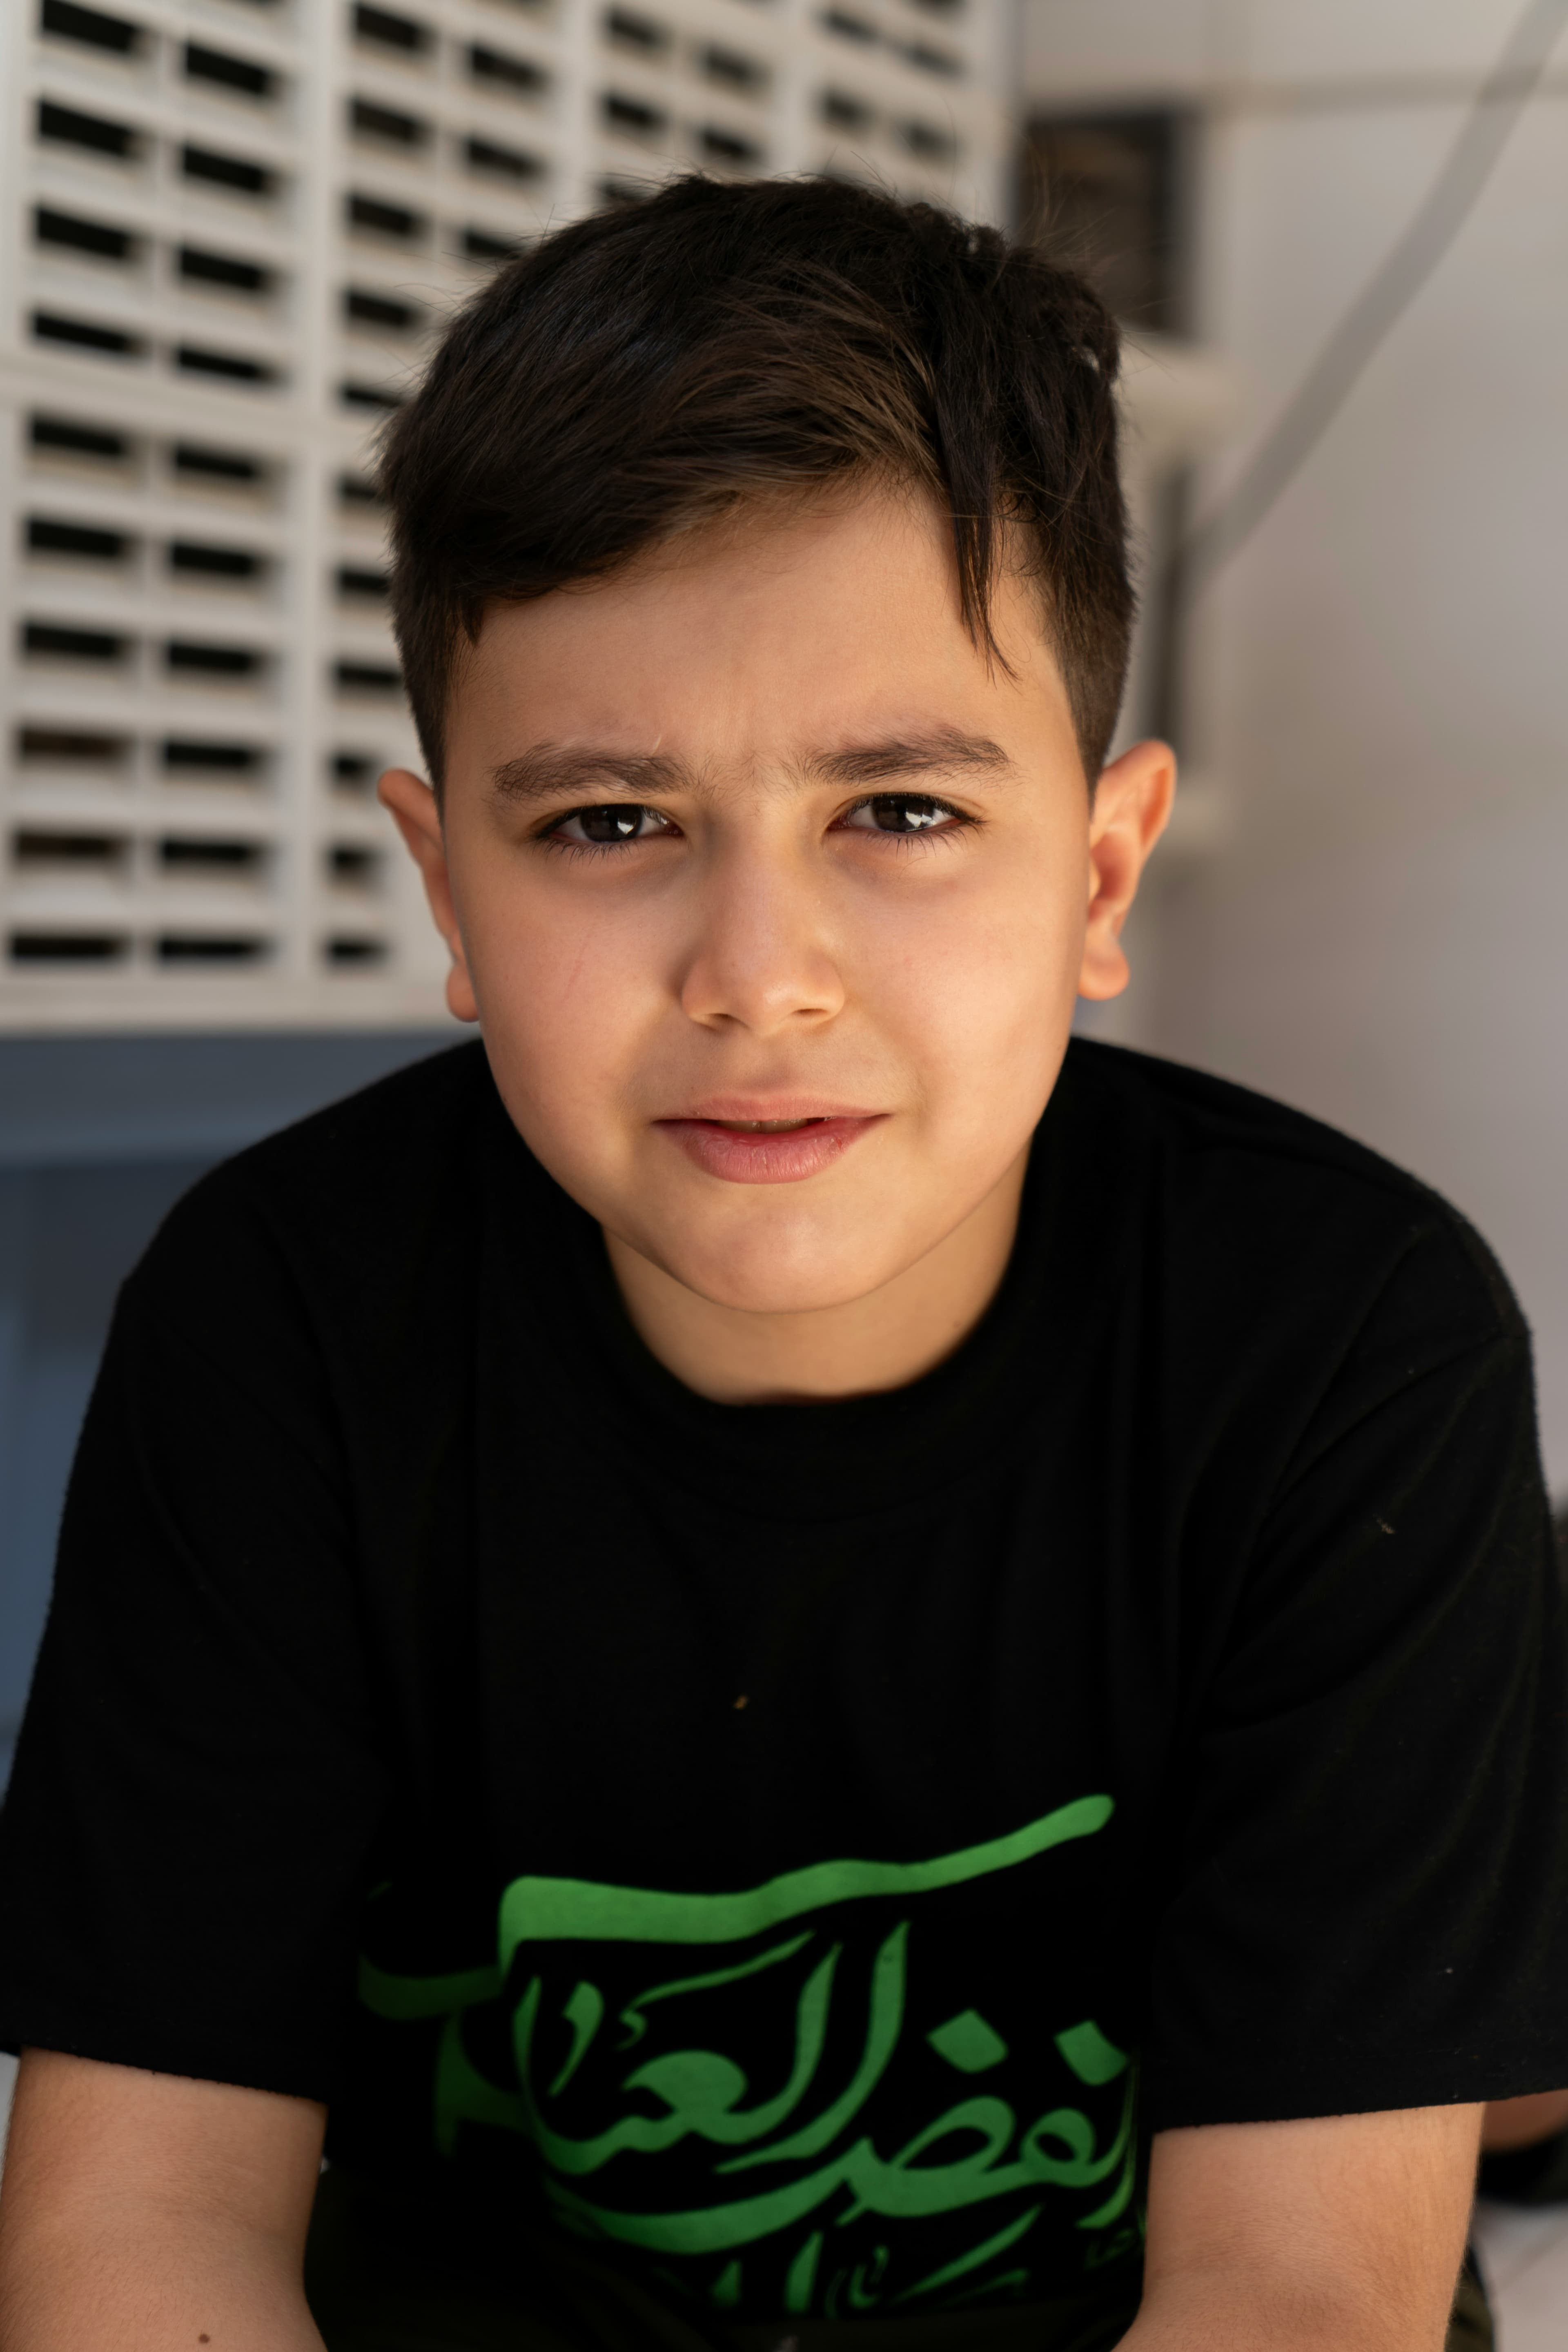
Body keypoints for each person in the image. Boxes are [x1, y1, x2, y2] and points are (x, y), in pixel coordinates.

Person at [0, 176, 1564, 2352]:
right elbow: (138, 2227)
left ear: (1099, 871)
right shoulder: (279, 1327)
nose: (761, 978)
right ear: (445, 888)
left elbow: (1302, 2300)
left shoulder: (1338, 1345)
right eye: (609, 824)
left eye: (902, 814)